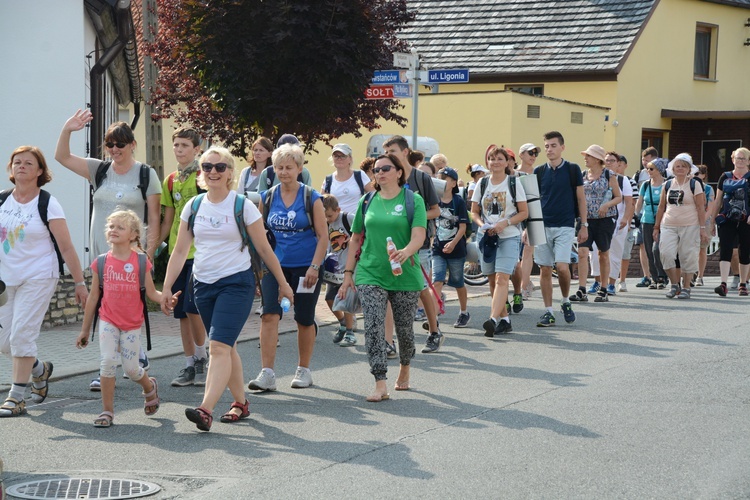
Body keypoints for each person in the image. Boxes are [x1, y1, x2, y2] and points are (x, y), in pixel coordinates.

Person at [161, 147, 292, 432]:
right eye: (207, 167)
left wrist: (282, 283)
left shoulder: (242, 205)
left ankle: (205, 409)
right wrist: (167, 286)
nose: (213, 172)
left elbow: (264, 249)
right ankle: (241, 403)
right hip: (202, 284)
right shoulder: (193, 206)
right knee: (227, 345)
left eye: (220, 167)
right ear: (201, 173)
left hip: (236, 283)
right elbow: (181, 250)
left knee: (217, 346)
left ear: (230, 173)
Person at [55, 109, 161, 390]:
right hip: (103, 256)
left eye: (120, 145)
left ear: (132, 145)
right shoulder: (99, 169)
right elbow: (62, 158)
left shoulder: (145, 174)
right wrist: (68, 129)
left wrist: (147, 255)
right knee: (104, 305)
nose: (114, 150)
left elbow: (154, 218)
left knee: (130, 305)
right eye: (110, 144)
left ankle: (134, 354)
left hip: (133, 258)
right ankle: (108, 364)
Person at [0, 146, 89, 418]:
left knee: (22, 335)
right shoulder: (3, 200)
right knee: (5, 341)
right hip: (6, 280)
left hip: (38, 276)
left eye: (29, 163)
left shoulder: (47, 202)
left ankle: (16, 397)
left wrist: (79, 282)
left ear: (40, 171)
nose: (22, 166)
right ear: (11, 168)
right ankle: (39, 370)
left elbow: (66, 246)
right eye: (17, 162)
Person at [338, 153, 427, 402]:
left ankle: (406, 365)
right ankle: (380, 382)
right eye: (377, 170)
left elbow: (419, 235)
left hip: (405, 273)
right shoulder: (367, 200)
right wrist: (348, 274)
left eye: (386, 168)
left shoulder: (413, 200)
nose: (380, 173)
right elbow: (355, 237)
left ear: (399, 172)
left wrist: (406, 252)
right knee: (374, 326)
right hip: (370, 271)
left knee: (405, 330)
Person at [75, 210, 174, 427]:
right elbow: (93, 297)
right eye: (111, 226)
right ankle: (107, 411)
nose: (113, 230)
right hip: (108, 320)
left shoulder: (140, 262)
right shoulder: (101, 262)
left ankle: (149, 387)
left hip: (131, 324)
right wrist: (83, 330)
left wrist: (164, 298)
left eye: (120, 227)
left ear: (133, 234)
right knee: (107, 362)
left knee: (131, 369)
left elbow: (151, 292)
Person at [247, 143, 328, 392]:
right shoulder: (268, 196)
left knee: (303, 318)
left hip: (306, 268)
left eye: (289, 167)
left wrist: (315, 267)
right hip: (274, 267)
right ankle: (267, 374)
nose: (284, 172)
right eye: (279, 167)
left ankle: (303, 370)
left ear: (300, 168)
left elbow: (324, 237)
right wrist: (257, 269)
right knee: (269, 314)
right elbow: (260, 235)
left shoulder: (311, 197)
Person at [158, 127, 209, 387]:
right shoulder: (170, 180)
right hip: (176, 253)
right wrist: (154, 245)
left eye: (185, 146)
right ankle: (189, 363)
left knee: (193, 308)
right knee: (181, 312)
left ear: (197, 149)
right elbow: (167, 220)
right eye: (176, 145)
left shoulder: (204, 177)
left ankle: (202, 356)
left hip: (199, 252)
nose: (179, 150)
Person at [383, 136, 442, 353]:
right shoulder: (388, 177)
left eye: (393, 151)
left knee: (420, 288)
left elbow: (436, 210)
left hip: (420, 243)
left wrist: (415, 217)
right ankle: (388, 343)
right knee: (388, 290)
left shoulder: (421, 178)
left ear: (405, 152)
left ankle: (434, 331)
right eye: (386, 151)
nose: (389, 155)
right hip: (392, 243)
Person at [471, 147, 528, 336]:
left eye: (499, 159)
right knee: (492, 280)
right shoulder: (482, 183)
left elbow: (523, 213)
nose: (495, 162)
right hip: (487, 237)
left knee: (502, 278)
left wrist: (506, 223)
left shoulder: (513, 183)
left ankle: (493, 319)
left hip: (509, 236)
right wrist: (482, 225)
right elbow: (474, 211)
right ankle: (504, 319)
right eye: (491, 158)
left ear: (507, 162)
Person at [533, 131, 586, 327]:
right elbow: (532, 202)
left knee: (562, 268)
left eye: (553, 145)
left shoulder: (573, 169)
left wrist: (584, 225)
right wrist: (527, 228)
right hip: (542, 226)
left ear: (562, 147)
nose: (549, 149)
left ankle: (565, 300)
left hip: (565, 225)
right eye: (546, 146)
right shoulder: (539, 171)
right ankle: (548, 311)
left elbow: (581, 199)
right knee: (545, 269)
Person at [570, 146, 621, 303]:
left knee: (603, 254)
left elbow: (618, 197)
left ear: (598, 159)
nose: (585, 158)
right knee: (582, 252)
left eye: (589, 156)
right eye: (585, 155)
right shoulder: (582, 175)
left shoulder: (609, 174)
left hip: (605, 219)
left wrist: (606, 205)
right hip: (585, 220)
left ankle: (604, 289)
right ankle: (582, 289)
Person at [654, 153, 708, 299]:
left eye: (684, 166)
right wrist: (656, 227)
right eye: (677, 166)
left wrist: (703, 228)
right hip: (668, 224)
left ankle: (686, 287)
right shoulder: (668, 184)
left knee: (688, 255)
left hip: (690, 225)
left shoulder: (694, 184)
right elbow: (661, 207)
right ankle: (674, 284)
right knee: (665, 254)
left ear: (689, 169)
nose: (680, 169)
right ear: (673, 168)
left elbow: (700, 207)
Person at [588, 151, 631, 296]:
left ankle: (612, 283)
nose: (609, 163)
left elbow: (629, 202)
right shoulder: (594, 177)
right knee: (594, 252)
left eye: (612, 160)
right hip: (596, 221)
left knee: (614, 253)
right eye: (606, 160)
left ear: (618, 163)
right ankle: (597, 281)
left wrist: (626, 218)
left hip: (617, 222)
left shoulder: (622, 180)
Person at [708, 147, 750, 296]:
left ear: (748, 161)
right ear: (732, 159)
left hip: (746, 219)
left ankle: (743, 283)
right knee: (725, 249)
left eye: (743, 158)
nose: (740, 161)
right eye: (738, 158)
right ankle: (723, 283)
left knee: (745, 251)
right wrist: (712, 221)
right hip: (727, 218)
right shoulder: (724, 177)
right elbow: (718, 200)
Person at [432, 167, 471, 328]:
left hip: (456, 249)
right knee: (437, 280)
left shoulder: (458, 201)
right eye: (440, 178)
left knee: (458, 282)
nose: (442, 181)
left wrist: (453, 243)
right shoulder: (434, 201)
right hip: (438, 248)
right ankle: (433, 316)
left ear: (454, 182)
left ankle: (463, 312)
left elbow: (463, 227)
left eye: (445, 178)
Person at [321, 194, 357, 346]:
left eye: (329, 215)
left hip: (349, 267)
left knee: (345, 299)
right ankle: (342, 323)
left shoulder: (348, 218)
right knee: (329, 299)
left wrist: (353, 241)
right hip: (334, 267)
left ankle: (350, 332)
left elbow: (363, 233)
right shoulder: (325, 223)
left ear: (338, 210)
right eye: (325, 217)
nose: (328, 219)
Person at [635, 158, 669, 289]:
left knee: (657, 249)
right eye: (647, 168)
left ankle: (663, 275)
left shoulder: (666, 184)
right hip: (646, 219)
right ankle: (654, 278)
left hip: (662, 220)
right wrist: (635, 217)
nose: (648, 171)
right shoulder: (645, 185)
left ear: (659, 170)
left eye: (651, 169)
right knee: (649, 250)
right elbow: (639, 203)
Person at [515, 142, 540, 300]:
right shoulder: (513, 174)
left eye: (535, 153)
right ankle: (525, 281)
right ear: (521, 154)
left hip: (535, 212)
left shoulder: (538, 173)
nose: (533, 156)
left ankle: (524, 287)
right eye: (530, 153)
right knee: (517, 253)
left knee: (528, 250)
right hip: (516, 214)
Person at [320, 143, 373, 212]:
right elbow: (321, 202)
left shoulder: (359, 175)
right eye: (336, 156)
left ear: (350, 159)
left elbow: (373, 195)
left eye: (343, 156)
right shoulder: (328, 180)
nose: (339, 159)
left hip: (356, 221)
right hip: (335, 221)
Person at [635, 147, 659, 286]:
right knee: (644, 246)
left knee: (659, 247)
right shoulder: (639, 175)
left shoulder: (667, 175)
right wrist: (635, 216)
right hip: (644, 216)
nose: (645, 164)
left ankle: (661, 273)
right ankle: (647, 276)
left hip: (660, 217)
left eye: (648, 161)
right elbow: (637, 199)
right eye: (643, 160)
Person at [695, 164, 714, 286]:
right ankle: (689, 274)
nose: (696, 176)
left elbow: (710, 208)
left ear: (703, 175)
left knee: (702, 249)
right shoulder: (689, 186)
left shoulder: (708, 189)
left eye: (698, 173)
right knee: (689, 249)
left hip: (704, 222)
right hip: (689, 221)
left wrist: (701, 221)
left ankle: (700, 276)